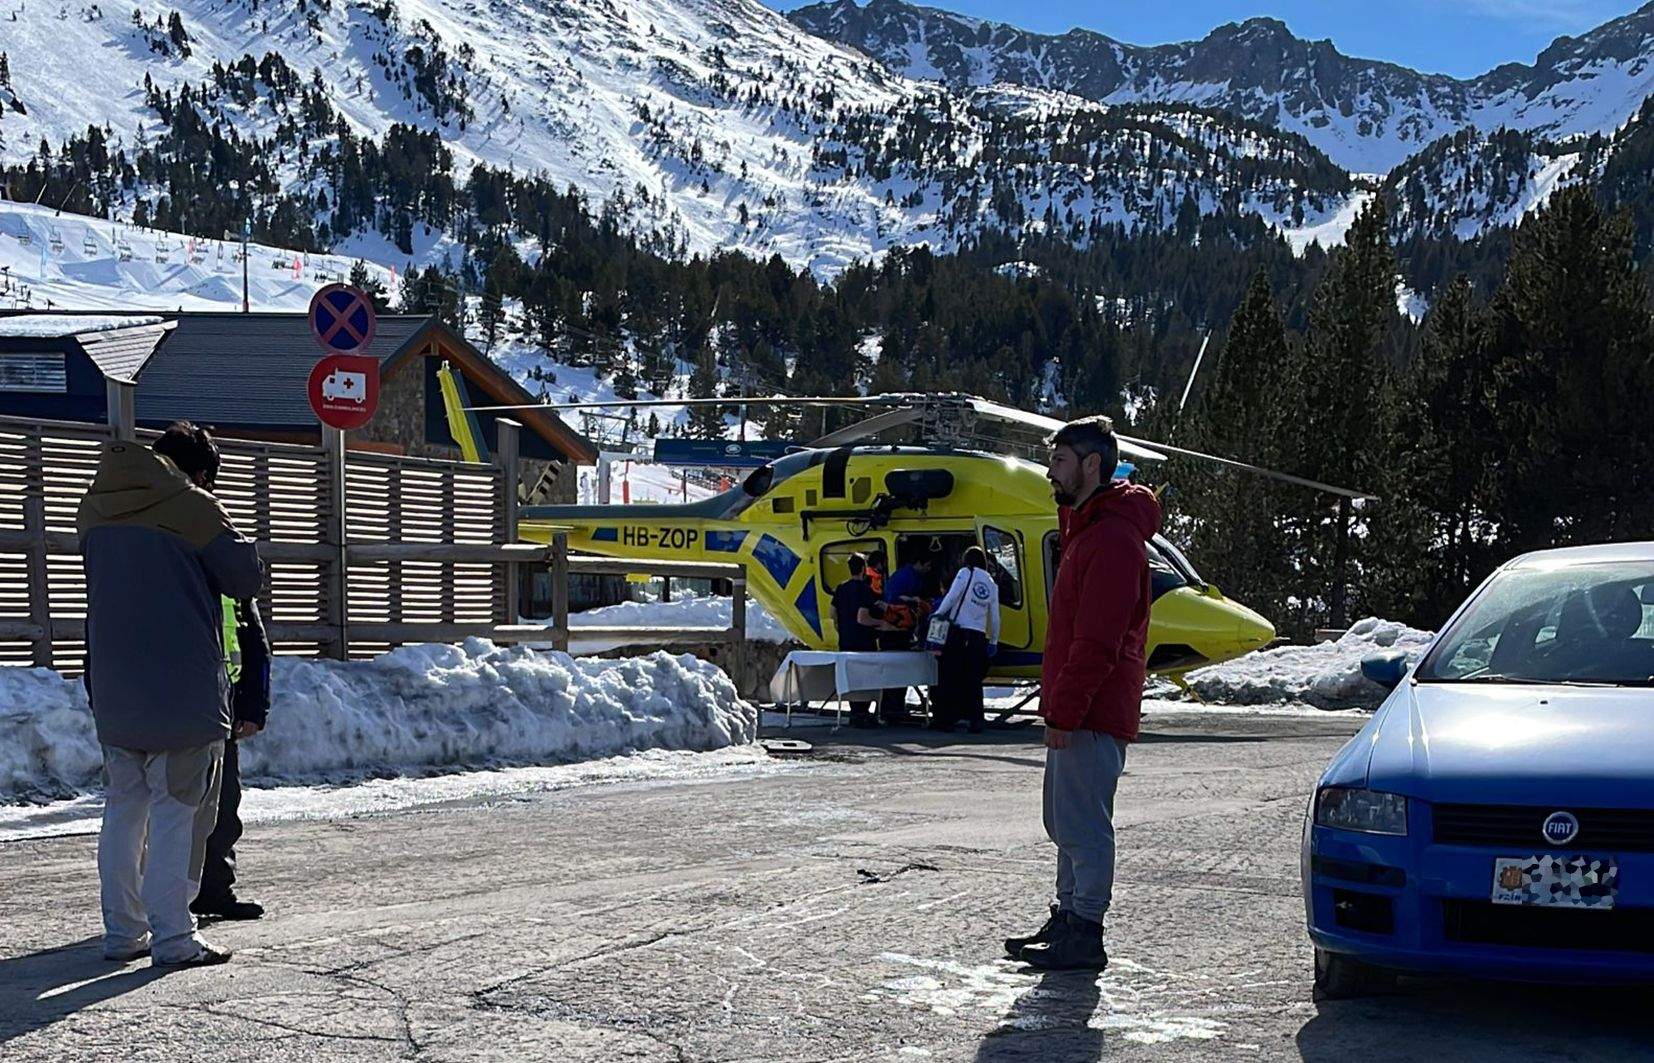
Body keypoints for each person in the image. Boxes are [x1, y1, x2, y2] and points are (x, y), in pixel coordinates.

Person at [78, 421, 264, 967]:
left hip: (114, 689)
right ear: (201, 473)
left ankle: (122, 933)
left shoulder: (95, 508)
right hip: (183, 692)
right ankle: (175, 937)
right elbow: (245, 578)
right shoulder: (194, 508)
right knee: (181, 813)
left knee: (123, 811)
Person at [1007, 415, 1161, 972]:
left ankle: (1086, 930)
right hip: (1080, 709)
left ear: (1092, 464)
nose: (1051, 471)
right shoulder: (1088, 528)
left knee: (1084, 825)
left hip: (1093, 710)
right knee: (1064, 821)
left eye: (1060, 460)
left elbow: (1097, 641)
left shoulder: (1113, 539)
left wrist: (1065, 711)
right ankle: (1069, 917)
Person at [193, 595, 272, 920]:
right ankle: (170, 898)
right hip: (185, 708)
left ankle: (212, 890)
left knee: (223, 808)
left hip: (223, 708)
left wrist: (253, 707)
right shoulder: (176, 570)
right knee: (176, 811)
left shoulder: (232, 583)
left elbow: (255, 646)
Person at [930, 547, 1000, 734]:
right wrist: (993, 640)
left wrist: (937, 614)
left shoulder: (965, 573)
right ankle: (976, 720)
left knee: (950, 676)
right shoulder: (991, 584)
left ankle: (946, 719)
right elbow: (995, 617)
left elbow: (952, 596)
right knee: (974, 680)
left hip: (958, 632)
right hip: (978, 636)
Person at [829, 553, 890, 728]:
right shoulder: (865, 590)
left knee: (851, 678)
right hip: (864, 641)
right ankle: (863, 713)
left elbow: (832, 613)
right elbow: (862, 618)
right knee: (866, 677)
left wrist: (841, 628)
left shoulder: (841, 588)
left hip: (846, 641)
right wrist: (881, 623)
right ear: (864, 569)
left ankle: (855, 712)